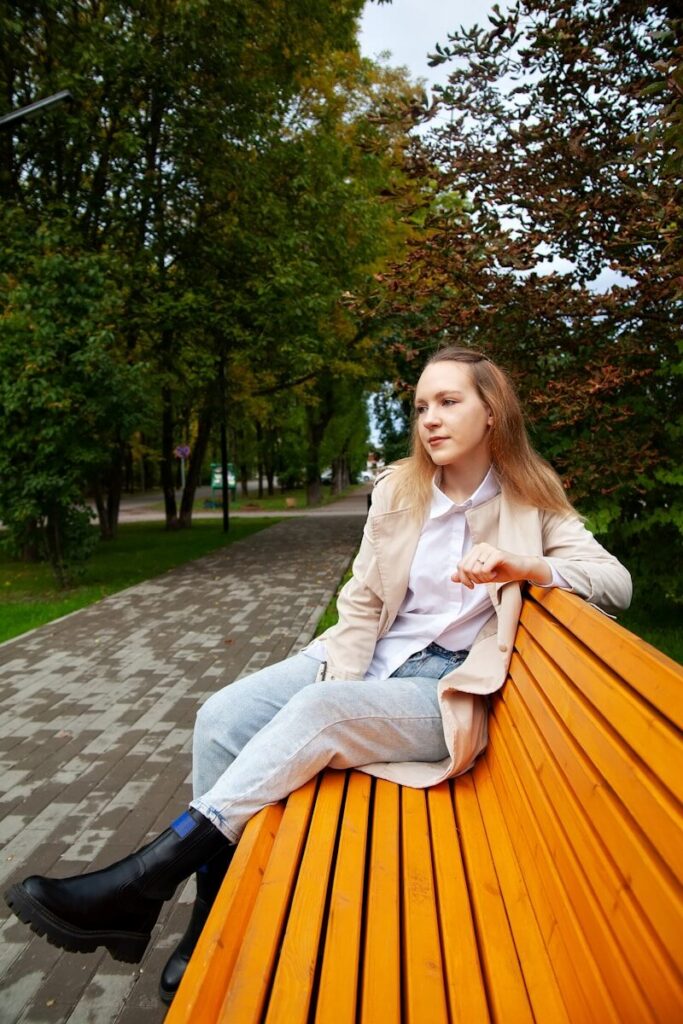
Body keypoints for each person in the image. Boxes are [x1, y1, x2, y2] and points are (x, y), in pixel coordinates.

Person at [4, 346, 632, 1004]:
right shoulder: (399, 489)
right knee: (220, 718)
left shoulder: (531, 505)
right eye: (420, 406)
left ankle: (139, 883)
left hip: (441, 689)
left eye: (448, 402)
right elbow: (361, 601)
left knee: (318, 716)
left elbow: (614, 583)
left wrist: (523, 566)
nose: (430, 419)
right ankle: (204, 924)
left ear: (492, 413)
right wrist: (341, 681)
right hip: (362, 658)